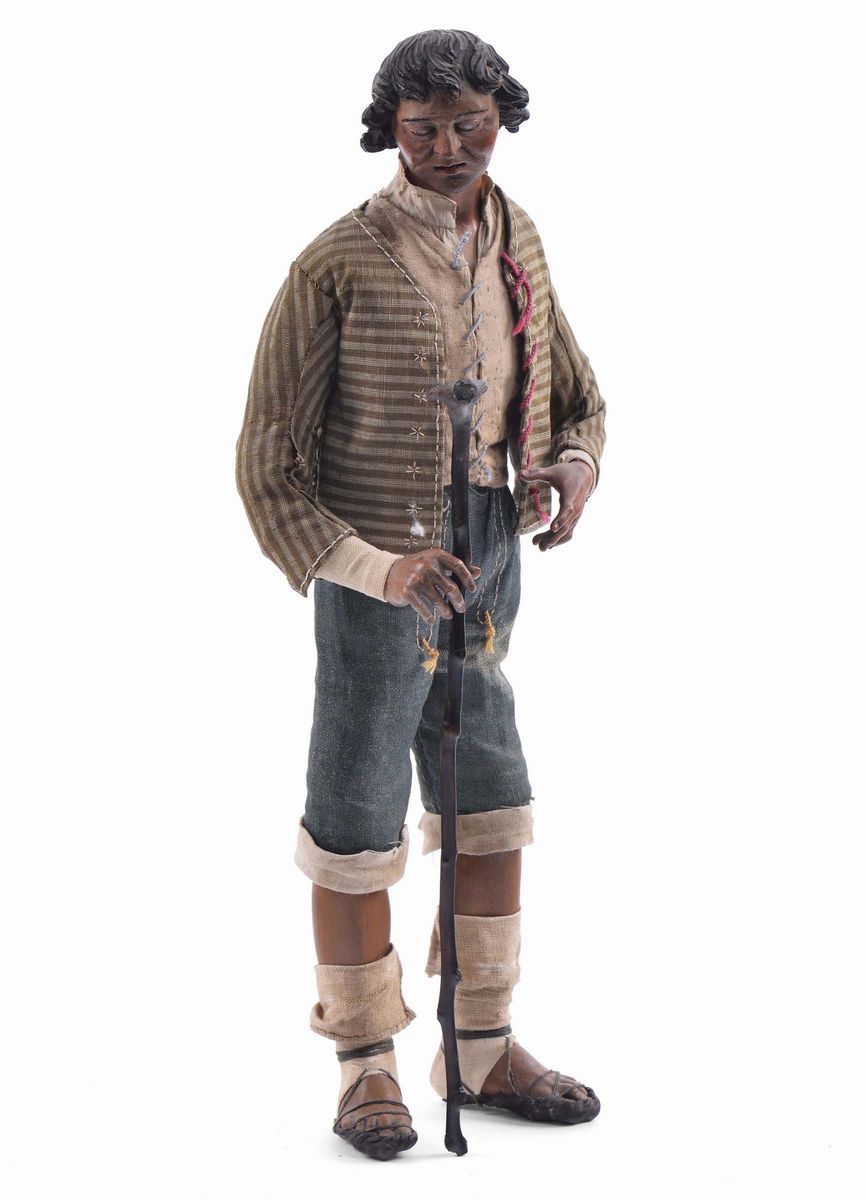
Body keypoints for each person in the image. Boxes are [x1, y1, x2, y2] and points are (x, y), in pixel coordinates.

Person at [235, 28, 607, 1160]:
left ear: (502, 119)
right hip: (378, 573)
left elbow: (575, 393)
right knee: (354, 815)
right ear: (387, 131)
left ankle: (480, 1046)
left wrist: (568, 467)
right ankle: (365, 1064)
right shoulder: (336, 264)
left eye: (470, 123)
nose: (449, 147)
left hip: (490, 555)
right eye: (423, 128)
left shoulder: (516, 238)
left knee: (491, 796)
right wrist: (383, 569)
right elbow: (268, 467)